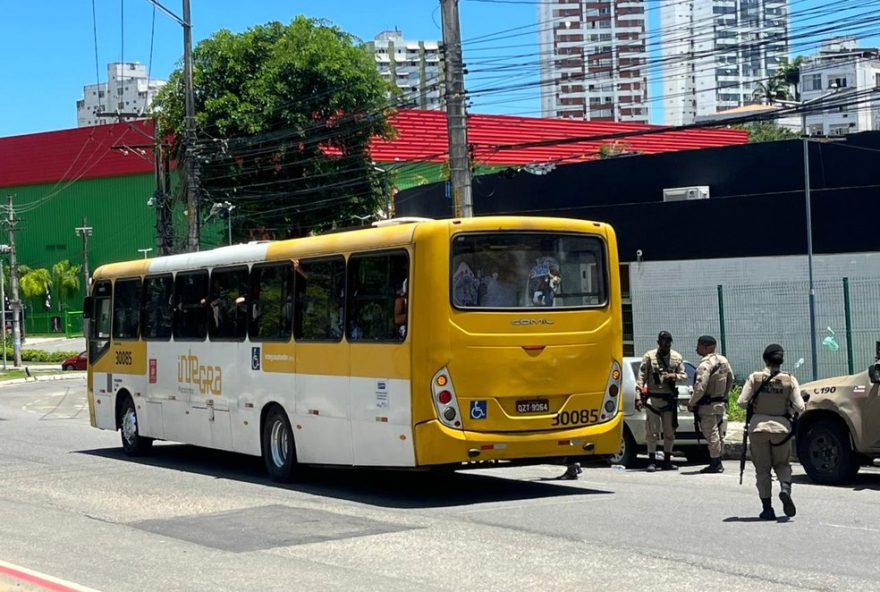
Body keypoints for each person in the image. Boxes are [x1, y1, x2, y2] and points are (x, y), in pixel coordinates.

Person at [738, 344, 805, 520]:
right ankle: (784, 488)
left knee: (762, 470)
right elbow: (800, 406)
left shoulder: (755, 377)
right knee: (782, 465)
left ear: (765, 359)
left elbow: (741, 402)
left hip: (758, 428)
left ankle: (767, 509)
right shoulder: (790, 380)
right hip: (782, 430)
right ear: (781, 360)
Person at [636, 331, 687, 472]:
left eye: (669, 341)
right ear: (658, 342)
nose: (667, 344)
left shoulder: (676, 357)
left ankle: (667, 460)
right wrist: (638, 397)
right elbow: (641, 378)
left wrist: (673, 376)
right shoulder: (649, 357)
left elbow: (684, 375)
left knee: (669, 432)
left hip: (669, 400)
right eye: (664, 341)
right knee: (652, 432)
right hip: (653, 400)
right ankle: (651, 460)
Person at [687, 335, 734, 473]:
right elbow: (731, 379)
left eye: (699, 345)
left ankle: (715, 463)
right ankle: (717, 460)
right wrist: (723, 395)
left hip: (707, 406)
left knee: (711, 434)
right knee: (719, 434)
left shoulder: (705, 364)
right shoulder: (723, 361)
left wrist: (692, 402)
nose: (697, 348)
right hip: (719, 403)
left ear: (707, 347)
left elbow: (700, 386)